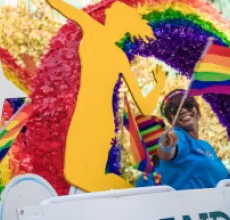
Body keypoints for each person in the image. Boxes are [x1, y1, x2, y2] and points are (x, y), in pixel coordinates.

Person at [46, 0, 166, 192]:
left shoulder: (99, 35)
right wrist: (158, 86)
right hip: (87, 116)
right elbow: (144, 106)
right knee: (78, 175)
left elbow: (144, 107)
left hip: (97, 121)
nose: (106, 15)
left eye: (110, 15)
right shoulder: (115, 53)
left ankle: (134, 197)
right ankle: (133, 195)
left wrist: (159, 86)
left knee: (83, 177)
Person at [137, 89, 229, 189]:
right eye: (174, 110)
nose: (182, 110)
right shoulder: (178, 135)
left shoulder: (206, 146)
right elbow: (166, 154)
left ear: (198, 112)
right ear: (171, 121)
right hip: (184, 203)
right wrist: (166, 146)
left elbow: (225, 179)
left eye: (188, 104)